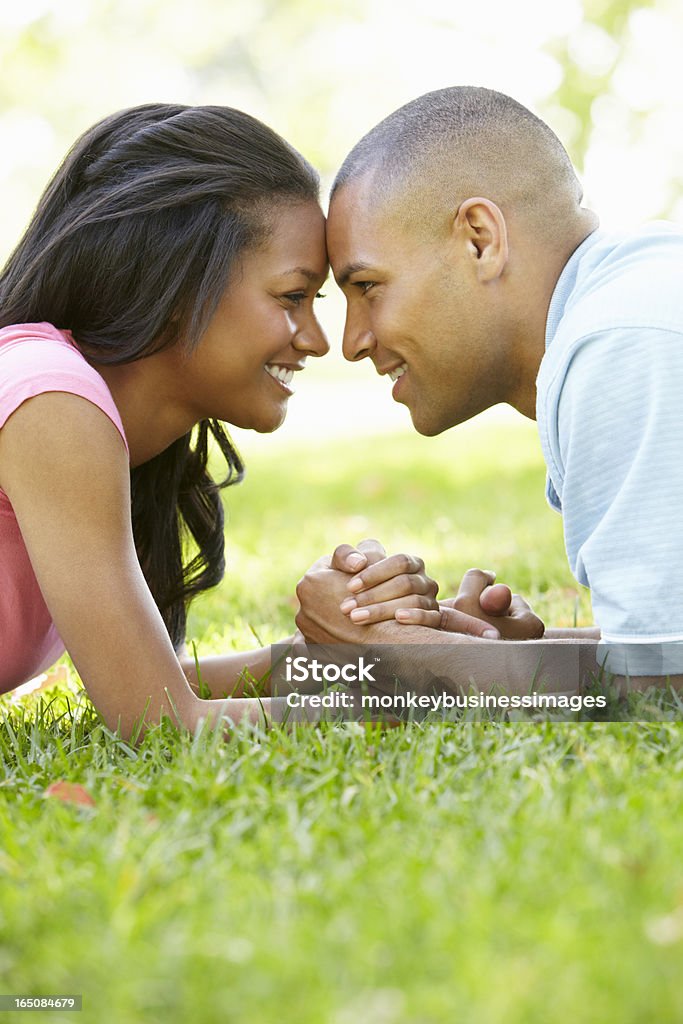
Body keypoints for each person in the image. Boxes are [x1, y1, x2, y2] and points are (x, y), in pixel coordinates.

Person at [0, 102, 521, 738]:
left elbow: (144, 682)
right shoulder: (52, 400)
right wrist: (429, 681)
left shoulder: (99, 424)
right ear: (182, 280)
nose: (319, 340)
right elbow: (157, 720)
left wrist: (380, 655)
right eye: (292, 297)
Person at [296, 85, 683, 692]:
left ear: (480, 239)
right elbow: (658, 649)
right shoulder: (628, 303)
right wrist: (474, 649)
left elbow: (661, 689)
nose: (352, 342)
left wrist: (404, 656)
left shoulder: (620, 343)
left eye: (368, 286)